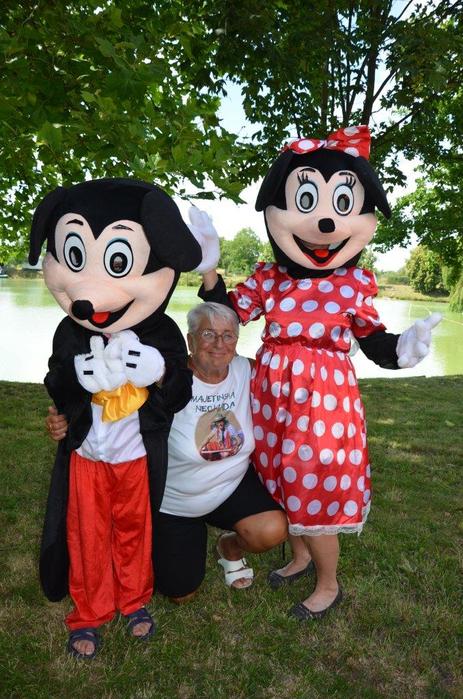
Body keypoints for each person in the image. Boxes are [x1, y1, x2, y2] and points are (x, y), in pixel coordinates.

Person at [47, 302, 287, 602]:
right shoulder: (162, 379)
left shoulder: (246, 370)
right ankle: (183, 541)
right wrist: (65, 419)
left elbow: (289, 382)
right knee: (180, 593)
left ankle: (229, 546)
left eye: (228, 335)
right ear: (190, 340)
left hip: (229, 486)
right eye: (208, 334)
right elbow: (107, 409)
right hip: (175, 503)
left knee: (271, 529)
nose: (219, 344)